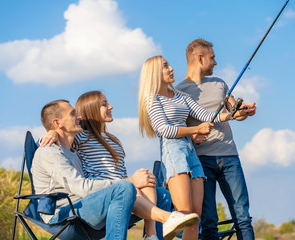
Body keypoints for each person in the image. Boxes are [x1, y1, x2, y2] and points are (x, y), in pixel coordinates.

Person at [39, 93, 199, 240]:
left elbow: (64, 136)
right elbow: (80, 186)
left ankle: (152, 236)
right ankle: (167, 218)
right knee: (126, 187)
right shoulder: (56, 148)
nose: (79, 116)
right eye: (73, 113)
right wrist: (50, 133)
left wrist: (136, 181)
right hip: (66, 213)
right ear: (57, 123)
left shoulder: (74, 147)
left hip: (91, 202)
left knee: (159, 192)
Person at [138, 56, 250, 240]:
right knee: (183, 213)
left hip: (191, 152)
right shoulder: (152, 99)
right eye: (166, 66)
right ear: (154, 74)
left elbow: (206, 115)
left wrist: (233, 114)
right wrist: (195, 129)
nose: (172, 68)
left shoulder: (181, 97)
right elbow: (164, 129)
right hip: (173, 150)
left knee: (195, 217)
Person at [176, 39, 256, 240]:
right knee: (209, 221)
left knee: (243, 217)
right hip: (202, 161)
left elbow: (233, 113)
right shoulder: (179, 91)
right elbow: (180, 129)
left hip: (230, 156)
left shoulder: (220, 83)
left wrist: (244, 111)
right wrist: (194, 134)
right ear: (200, 58)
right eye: (212, 58)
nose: (215, 62)